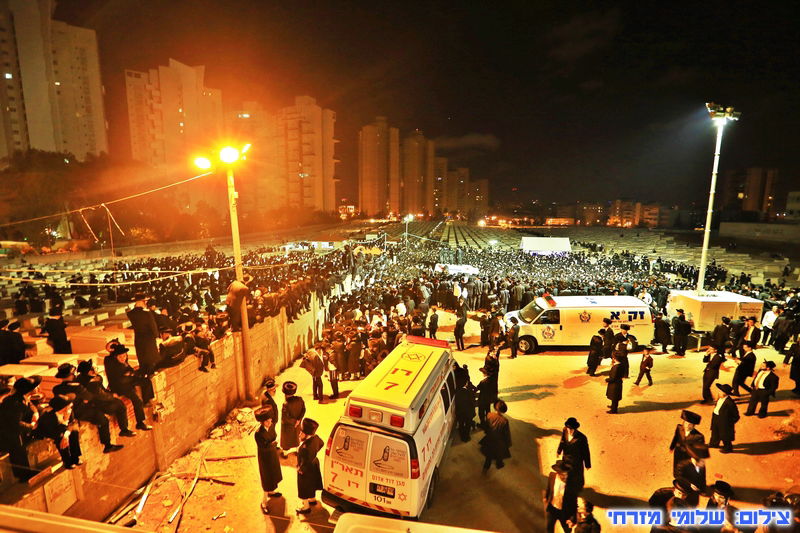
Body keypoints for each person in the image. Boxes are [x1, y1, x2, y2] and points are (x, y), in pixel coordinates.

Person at [53, 363, 126, 453]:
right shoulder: (77, 386)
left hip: (68, 414)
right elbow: (89, 397)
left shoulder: (56, 388)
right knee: (103, 420)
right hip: (82, 411)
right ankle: (107, 445)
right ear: (71, 375)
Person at [103, 342, 154, 431]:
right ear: (115, 357)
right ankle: (140, 423)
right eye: (120, 357)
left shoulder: (124, 362)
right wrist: (110, 349)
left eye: (124, 356)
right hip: (120, 386)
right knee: (137, 401)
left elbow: (130, 372)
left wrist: (131, 373)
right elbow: (122, 378)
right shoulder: (111, 362)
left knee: (146, 381)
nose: (123, 358)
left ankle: (147, 401)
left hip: (129, 381)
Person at [0, 376, 41, 481]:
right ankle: (23, 475)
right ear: (29, 390)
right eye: (36, 386)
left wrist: (35, 413)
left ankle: (26, 472)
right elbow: (15, 423)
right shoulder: (15, 404)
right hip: (8, 432)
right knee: (17, 449)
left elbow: (30, 405)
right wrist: (31, 426)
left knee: (20, 449)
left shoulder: (21, 397)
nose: (38, 387)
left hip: (14, 430)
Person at [34, 395, 82, 469]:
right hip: (48, 431)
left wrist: (66, 435)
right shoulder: (48, 416)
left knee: (74, 432)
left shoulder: (69, 411)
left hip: (61, 429)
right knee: (60, 437)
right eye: (68, 405)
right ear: (62, 408)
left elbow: (72, 423)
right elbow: (55, 432)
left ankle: (75, 457)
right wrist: (65, 420)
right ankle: (67, 461)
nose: (71, 406)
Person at [255, 404, 282, 514]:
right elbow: (263, 447)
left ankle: (271, 491)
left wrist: (273, 444)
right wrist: (273, 444)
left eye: (270, 420)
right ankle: (264, 502)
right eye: (267, 421)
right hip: (265, 458)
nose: (270, 422)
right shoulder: (258, 434)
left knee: (273, 475)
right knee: (267, 480)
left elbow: (273, 436)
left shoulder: (271, 427)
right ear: (262, 422)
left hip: (272, 455)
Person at [126, 292, 161, 373]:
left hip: (138, 339)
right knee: (151, 360)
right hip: (149, 339)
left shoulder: (130, 313)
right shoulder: (147, 313)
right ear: (141, 301)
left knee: (142, 360)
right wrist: (157, 336)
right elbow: (153, 326)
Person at [296, 417, 324, 514]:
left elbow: (305, 462)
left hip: (306, 468)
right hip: (314, 464)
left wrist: (300, 469)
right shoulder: (315, 438)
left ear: (306, 434)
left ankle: (306, 507)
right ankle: (312, 499)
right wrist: (314, 454)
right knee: (312, 483)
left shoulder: (305, 448)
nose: (299, 434)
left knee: (304, 486)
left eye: (301, 433)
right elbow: (322, 443)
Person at [543, 459, 578, 533]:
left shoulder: (572, 485)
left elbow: (574, 503)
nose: (566, 477)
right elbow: (549, 488)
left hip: (564, 512)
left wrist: (572, 519)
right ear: (558, 473)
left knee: (567, 530)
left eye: (566, 474)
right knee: (549, 529)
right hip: (552, 509)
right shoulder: (552, 476)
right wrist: (546, 497)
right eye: (563, 474)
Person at [557, 417, 591, 492]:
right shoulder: (565, 430)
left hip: (576, 462)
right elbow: (562, 441)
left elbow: (585, 451)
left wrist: (587, 464)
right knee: (566, 475)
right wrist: (559, 450)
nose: (569, 431)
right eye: (568, 428)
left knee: (575, 476)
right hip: (566, 459)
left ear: (575, 429)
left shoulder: (582, 438)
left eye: (571, 429)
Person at [669, 410, 704, 478]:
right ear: (683, 422)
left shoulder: (699, 436)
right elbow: (676, 437)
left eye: (690, 424)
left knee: (685, 469)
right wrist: (672, 447)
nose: (687, 425)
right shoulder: (679, 428)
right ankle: (676, 476)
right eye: (686, 423)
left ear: (694, 426)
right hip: (678, 452)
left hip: (688, 456)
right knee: (676, 465)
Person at [479, 399, 511, 473]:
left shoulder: (489, 415)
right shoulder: (504, 421)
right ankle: (499, 464)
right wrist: (508, 443)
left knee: (488, 456)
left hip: (490, 439)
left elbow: (486, 427)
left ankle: (485, 469)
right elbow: (506, 434)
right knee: (499, 454)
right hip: (499, 441)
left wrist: (488, 433)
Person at [709, 383, 740, 453]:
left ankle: (728, 448)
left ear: (725, 393)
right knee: (715, 432)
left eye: (720, 391)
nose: (718, 392)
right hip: (716, 418)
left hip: (724, 422)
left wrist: (729, 423)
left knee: (725, 436)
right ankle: (714, 443)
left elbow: (736, 416)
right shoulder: (720, 399)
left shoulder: (730, 403)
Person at [280, 381, 305, 455]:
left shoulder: (285, 404)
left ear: (285, 394)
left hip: (288, 426)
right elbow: (304, 410)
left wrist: (294, 422)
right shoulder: (300, 399)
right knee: (296, 438)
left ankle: (285, 454)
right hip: (297, 424)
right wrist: (298, 420)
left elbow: (285, 419)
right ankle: (297, 451)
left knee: (286, 441)